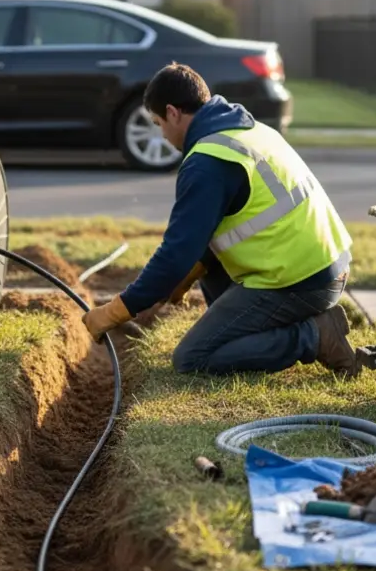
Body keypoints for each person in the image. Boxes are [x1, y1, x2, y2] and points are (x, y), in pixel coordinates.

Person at [81, 62, 360, 378]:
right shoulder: (247, 129)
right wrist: (184, 278)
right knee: (208, 270)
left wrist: (113, 312)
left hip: (302, 282)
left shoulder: (208, 162)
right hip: (325, 264)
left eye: (159, 123)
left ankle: (315, 336)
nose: (162, 133)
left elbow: (175, 254)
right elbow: (215, 233)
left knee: (193, 357)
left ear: (173, 113)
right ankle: (248, 332)